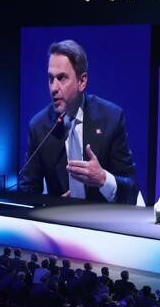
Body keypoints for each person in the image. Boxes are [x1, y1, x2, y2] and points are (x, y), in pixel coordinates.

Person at [19, 39, 139, 204]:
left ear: (82, 82)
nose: (53, 88)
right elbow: (26, 192)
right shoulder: (39, 127)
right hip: (58, 220)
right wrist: (51, 206)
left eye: (62, 78)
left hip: (103, 218)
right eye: (50, 78)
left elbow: (131, 189)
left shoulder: (111, 118)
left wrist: (103, 179)